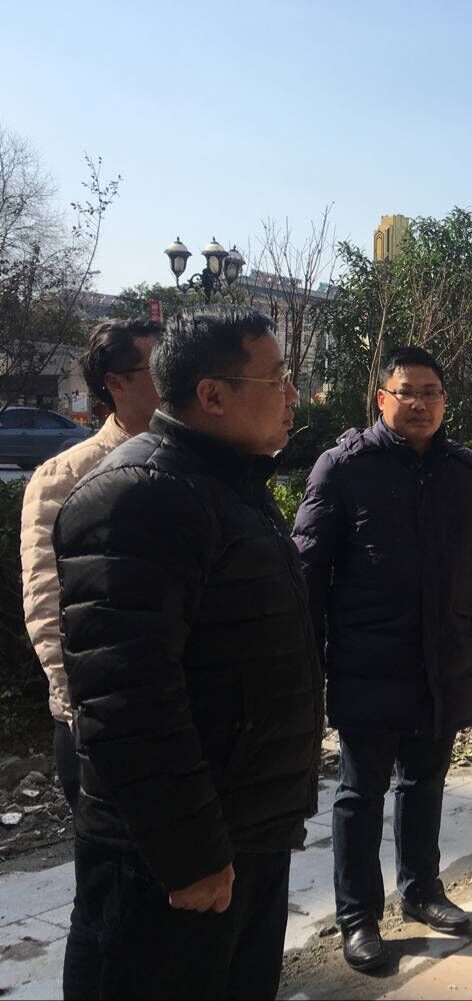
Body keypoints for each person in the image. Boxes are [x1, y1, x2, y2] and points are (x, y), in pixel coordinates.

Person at [53, 307, 322, 1000]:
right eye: (277, 378)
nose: (293, 394)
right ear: (212, 395)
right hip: (171, 865)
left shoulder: (232, 486)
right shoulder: (137, 498)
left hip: (245, 836)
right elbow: (128, 701)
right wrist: (191, 853)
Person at [292, 345, 472, 972]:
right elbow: (307, 571)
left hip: (442, 659)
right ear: (381, 399)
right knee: (360, 793)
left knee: (425, 782)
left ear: (445, 402)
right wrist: (308, 658)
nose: (419, 403)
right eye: (407, 392)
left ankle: (421, 890)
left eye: (431, 393)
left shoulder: (465, 470)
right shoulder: (343, 468)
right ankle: (358, 916)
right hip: (368, 659)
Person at [20, 317, 161, 999]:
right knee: (105, 901)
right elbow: (48, 608)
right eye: (156, 369)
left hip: (176, 720)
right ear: (115, 385)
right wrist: (87, 708)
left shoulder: (192, 467)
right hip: (97, 723)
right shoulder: (65, 476)